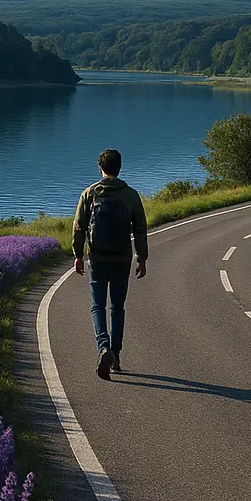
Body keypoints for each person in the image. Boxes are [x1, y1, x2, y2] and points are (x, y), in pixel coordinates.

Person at [72, 148, 148, 380]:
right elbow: (140, 229)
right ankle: (115, 356)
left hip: (97, 258)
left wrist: (78, 255)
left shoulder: (89, 194)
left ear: (101, 168)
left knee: (98, 306)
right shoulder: (131, 195)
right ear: (120, 167)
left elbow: (78, 227)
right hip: (121, 259)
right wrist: (141, 258)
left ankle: (102, 347)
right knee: (117, 307)